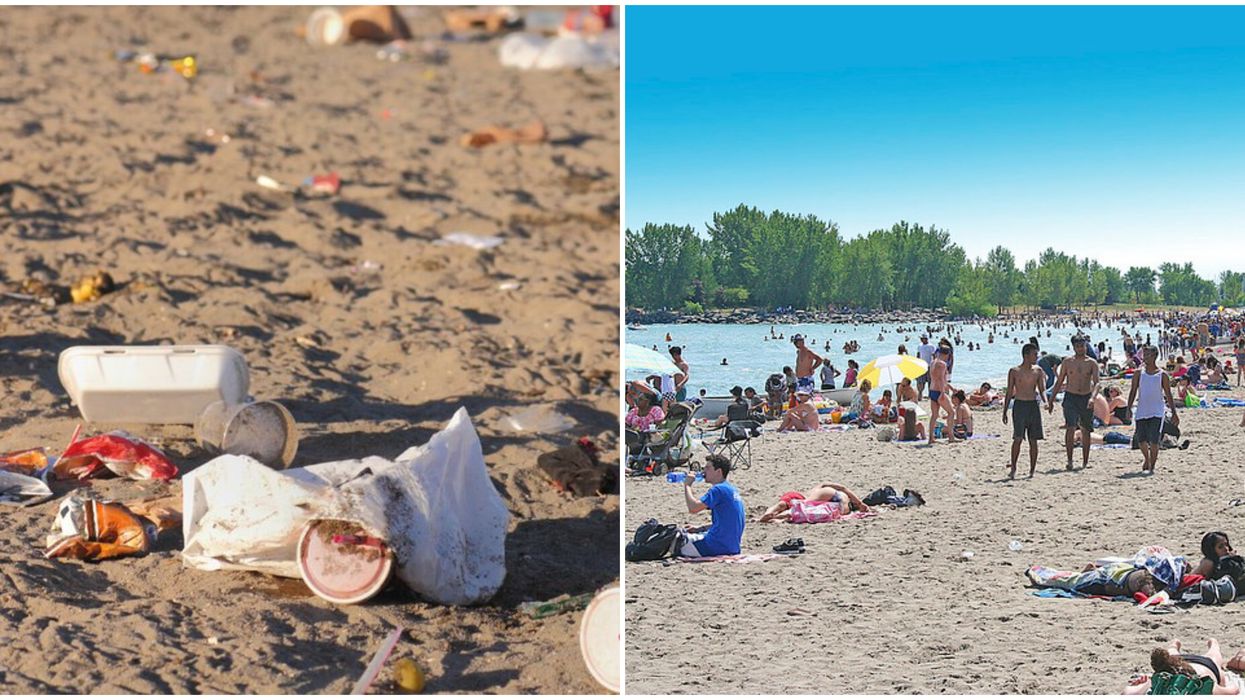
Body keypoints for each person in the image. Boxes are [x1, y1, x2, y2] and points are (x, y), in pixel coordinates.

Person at [1048, 336, 1100, 470]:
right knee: (1070, 427)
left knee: (1086, 430)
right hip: (1070, 397)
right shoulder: (1067, 362)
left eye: (1082, 346)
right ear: (1073, 347)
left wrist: (1092, 398)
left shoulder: (1092, 363)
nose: (1080, 349)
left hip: (1085, 397)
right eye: (1077, 346)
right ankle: (1070, 460)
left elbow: (1097, 383)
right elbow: (1059, 381)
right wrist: (1052, 399)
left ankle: (1085, 461)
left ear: (1086, 346)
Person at [1126, 345, 1180, 474]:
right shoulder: (1139, 373)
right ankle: (1147, 459)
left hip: (1157, 411)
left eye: (1148, 355)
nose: (1145, 358)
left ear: (1155, 356)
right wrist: (1128, 408)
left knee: (1154, 441)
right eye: (1144, 355)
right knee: (1141, 440)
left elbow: (1168, 394)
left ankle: (1152, 466)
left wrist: (1174, 413)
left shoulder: (1162, 375)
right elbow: (1133, 391)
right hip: (1141, 410)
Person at [1124, 639, 1245, 695]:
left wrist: (1137, 684)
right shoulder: (1201, 686)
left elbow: (1128, 692)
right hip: (1202, 665)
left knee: (1213, 656)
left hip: (1200, 665)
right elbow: (1233, 690)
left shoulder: (1156, 685)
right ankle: (1212, 643)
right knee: (1214, 655)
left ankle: (1175, 645)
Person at [679, 455, 745, 557]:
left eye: (708, 468)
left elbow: (693, 508)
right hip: (731, 546)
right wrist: (700, 528)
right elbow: (728, 523)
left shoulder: (718, 490)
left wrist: (687, 485)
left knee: (674, 540)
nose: (704, 470)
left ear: (718, 472)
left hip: (716, 546)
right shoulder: (731, 489)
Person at [1003, 343, 1045, 479]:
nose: (1036, 357)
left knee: (1034, 440)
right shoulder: (1014, 371)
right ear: (1026, 355)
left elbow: (1041, 389)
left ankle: (1032, 470)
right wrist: (1004, 411)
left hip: (1033, 406)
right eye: (1034, 354)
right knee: (1018, 438)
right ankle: (1014, 468)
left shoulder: (1038, 371)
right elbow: (1009, 392)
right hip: (1020, 405)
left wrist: (1046, 402)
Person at [755, 482, 871, 523]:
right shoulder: (847, 504)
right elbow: (843, 488)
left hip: (830, 495)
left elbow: (842, 487)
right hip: (840, 508)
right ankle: (778, 516)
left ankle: (768, 514)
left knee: (802, 505)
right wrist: (859, 503)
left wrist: (860, 503)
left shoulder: (819, 489)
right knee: (802, 511)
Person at [927, 346, 958, 445]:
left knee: (934, 415)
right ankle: (951, 436)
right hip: (939, 391)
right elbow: (941, 379)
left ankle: (931, 438)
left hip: (932, 390)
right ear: (947, 354)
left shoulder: (932, 362)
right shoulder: (942, 364)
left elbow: (938, 379)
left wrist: (952, 389)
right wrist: (942, 393)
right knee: (951, 412)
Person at [915, 335, 935, 400]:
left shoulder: (931, 346)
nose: (921, 340)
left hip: (929, 366)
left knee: (930, 382)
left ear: (926, 339)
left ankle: (930, 396)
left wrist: (934, 365)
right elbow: (918, 355)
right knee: (921, 382)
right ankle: (920, 395)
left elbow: (934, 356)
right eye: (921, 338)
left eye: (922, 338)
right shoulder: (919, 346)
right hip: (921, 366)